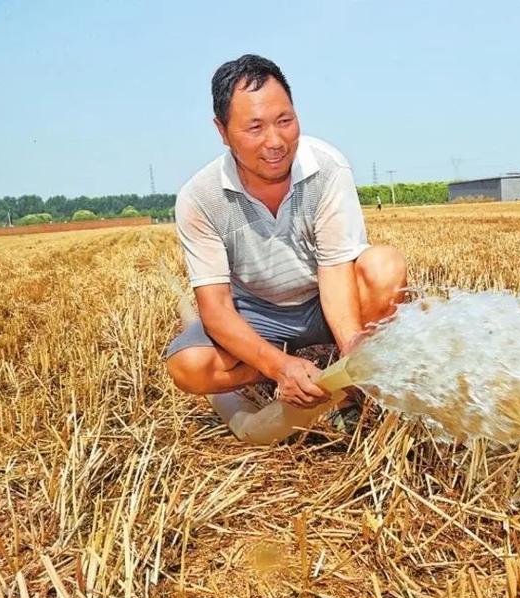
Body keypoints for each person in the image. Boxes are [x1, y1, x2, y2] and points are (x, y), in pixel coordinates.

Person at [165, 54, 407, 440]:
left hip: (321, 302)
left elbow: (334, 268)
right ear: (222, 131)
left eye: (285, 121)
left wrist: (350, 346)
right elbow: (216, 309)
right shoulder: (199, 198)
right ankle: (284, 364)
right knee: (188, 365)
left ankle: (348, 393)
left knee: (384, 266)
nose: (276, 142)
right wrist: (278, 366)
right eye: (255, 128)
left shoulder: (326, 167)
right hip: (256, 313)